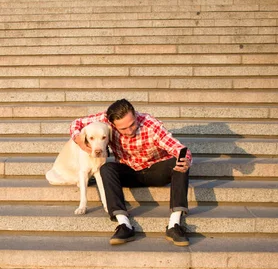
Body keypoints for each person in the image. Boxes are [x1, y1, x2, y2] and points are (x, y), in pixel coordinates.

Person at [70, 99, 192, 246]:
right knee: (106, 168)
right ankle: (124, 224)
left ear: (135, 115)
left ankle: (174, 225)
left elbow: (178, 148)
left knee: (179, 160)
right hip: (128, 171)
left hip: (155, 171)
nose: (130, 131)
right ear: (112, 124)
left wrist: (185, 159)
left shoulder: (150, 124)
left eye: (132, 124)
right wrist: (80, 141)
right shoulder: (104, 120)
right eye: (123, 129)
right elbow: (76, 123)